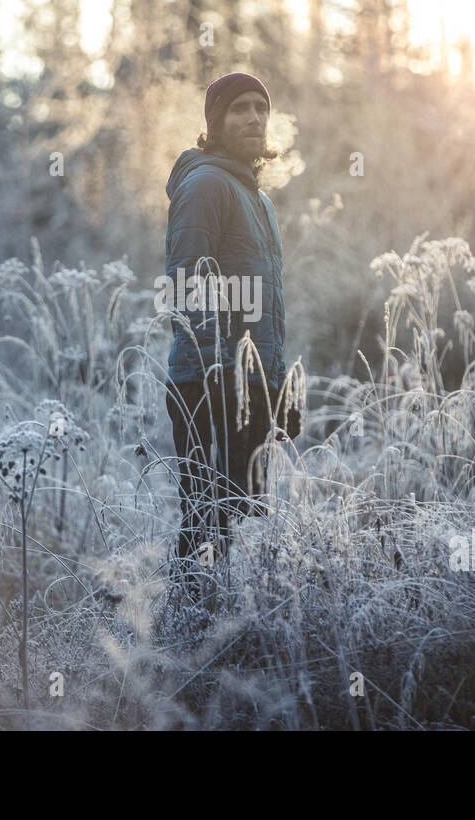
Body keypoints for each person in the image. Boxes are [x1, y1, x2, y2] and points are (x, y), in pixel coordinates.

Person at [162, 72, 300, 585]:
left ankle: (233, 645)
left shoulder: (258, 199)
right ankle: (182, 639)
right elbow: (185, 285)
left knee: (241, 521)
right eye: (240, 109)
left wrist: (272, 384)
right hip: (208, 381)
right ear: (215, 123)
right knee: (205, 522)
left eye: (261, 108)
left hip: (251, 381)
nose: (254, 118)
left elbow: (266, 306)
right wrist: (221, 371)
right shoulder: (205, 185)